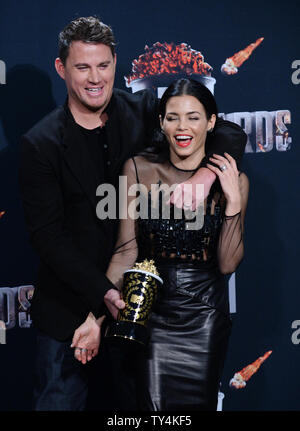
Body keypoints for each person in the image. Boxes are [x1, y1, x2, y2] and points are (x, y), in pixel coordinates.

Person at [19, 15, 247, 411]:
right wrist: (101, 299)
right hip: (73, 314)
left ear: (114, 63)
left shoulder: (141, 109)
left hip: (142, 309)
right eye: (83, 66)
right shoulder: (39, 144)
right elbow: (48, 238)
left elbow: (226, 131)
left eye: (103, 65)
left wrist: (205, 176)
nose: (95, 78)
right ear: (61, 68)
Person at [75, 78, 249, 411]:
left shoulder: (234, 179)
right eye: (173, 117)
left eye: (194, 117)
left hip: (204, 315)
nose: (183, 127)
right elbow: (126, 251)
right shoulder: (139, 170)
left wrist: (233, 203)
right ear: (161, 122)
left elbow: (228, 264)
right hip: (148, 313)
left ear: (212, 122)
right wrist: (96, 317)